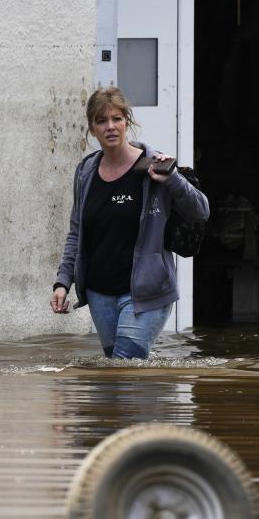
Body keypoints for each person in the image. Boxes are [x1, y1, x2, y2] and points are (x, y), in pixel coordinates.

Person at [51, 86, 209, 359]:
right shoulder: (86, 172)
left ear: (127, 121)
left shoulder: (154, 166)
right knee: (116, 378)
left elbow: (201, 211)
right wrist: (63, 281)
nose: (110, 127)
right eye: (101, 120)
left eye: (117, 118)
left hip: (147, 290)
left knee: (125, 364)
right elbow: (77, 233)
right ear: (92, 128)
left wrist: (172, 178)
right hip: (99, 293)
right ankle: (157, 400)